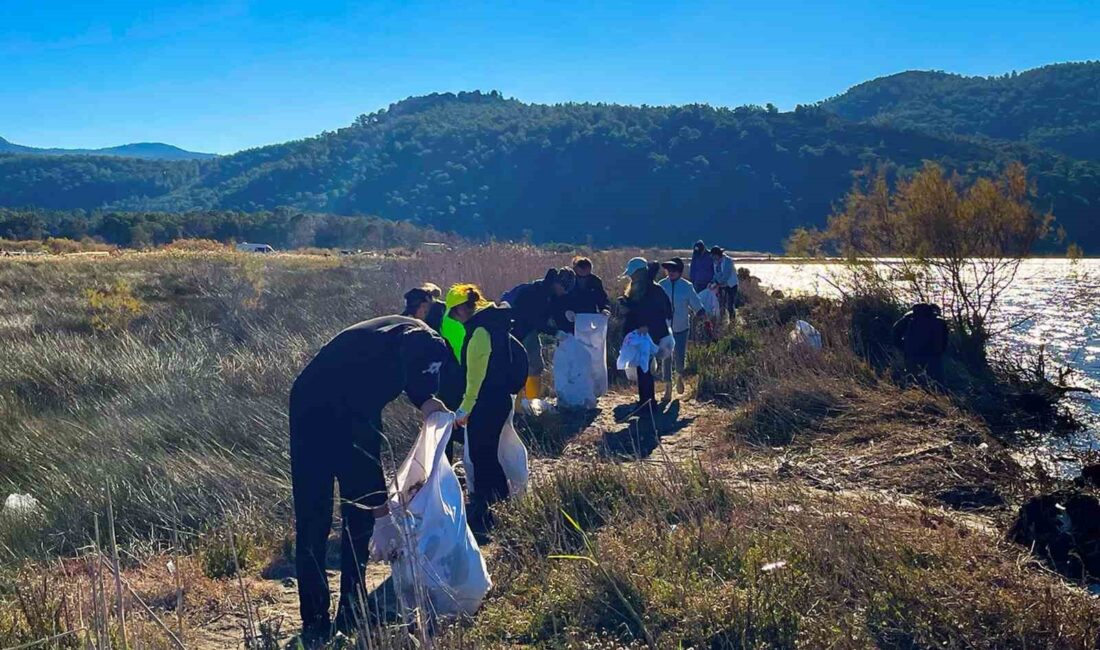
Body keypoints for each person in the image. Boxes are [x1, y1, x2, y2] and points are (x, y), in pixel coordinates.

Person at [288, 316, 451, 642]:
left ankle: (352, 607)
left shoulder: (424, 342)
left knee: (358, 522)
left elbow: (419, 384)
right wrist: (381, 514)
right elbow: (363, 454)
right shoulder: (373, 370)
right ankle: (316, 618)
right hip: (313, 409)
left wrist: (430, 405)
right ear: (400, 365)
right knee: (314, 516)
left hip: (346, 402)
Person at [447, 285, 529, 529]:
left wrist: (465, 409)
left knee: (483, 457)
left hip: (486, 403)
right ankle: (499, 506)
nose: (454, 319)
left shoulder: (480, 331)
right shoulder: (495, 324)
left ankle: (489, 510)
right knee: (489, 454)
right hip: (500, 399)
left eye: (454, 314)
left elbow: (476, 376)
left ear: (462, 308)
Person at [503, 268, 576, 399]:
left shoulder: (552, 295)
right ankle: (517, 405)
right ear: (558, 283)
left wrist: (566, 328)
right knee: (518, 368)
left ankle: (532, 401)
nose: (564, 293)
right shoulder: (533, 292)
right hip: (515, 331)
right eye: (564, 289)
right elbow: (532, 319)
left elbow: (554, 315)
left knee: (536, 367)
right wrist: (554, 332)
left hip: (530, 331)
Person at [619, 257, 672, 415]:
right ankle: (646, 402)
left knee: (645, 369)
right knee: (643, 369)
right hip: (641, 335)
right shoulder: (639, 288)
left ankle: (648, 404)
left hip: (650, 335)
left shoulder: (654, 290)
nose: (631, 277)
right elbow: (637, 311)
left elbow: (663, 313)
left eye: (633, 273)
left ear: (639, 273)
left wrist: (647, 327)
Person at [658, 257, 704, 400]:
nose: (670, 272)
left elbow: (695, 302)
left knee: (679, 356)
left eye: (674, 270)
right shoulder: (660, 285)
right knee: (665, 356)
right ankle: (667, 387)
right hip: (664, 328)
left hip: (681, 327)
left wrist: (701, 312)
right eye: (668, 270)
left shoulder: (686, 286)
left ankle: (679, 376)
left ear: (679, 271)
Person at [892, 303, 949, 386]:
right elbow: (945, 340)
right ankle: (938, 396)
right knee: (938, 382)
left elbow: (895, 332)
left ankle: (912, 396)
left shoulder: (908, 318)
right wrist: (940, 351)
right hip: (933, 355)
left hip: (912, 353)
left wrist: (903, 347)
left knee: (912, 380)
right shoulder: (939, 321)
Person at [711, 246, 738, 323]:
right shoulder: (715, 262)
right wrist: (712, 281)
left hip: (731, 285)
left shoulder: (728, 261)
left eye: (713, 255)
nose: (712, 257)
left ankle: (733, 322)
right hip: (722, 286)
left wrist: (717, 283)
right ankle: (722, 322)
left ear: (717, 254)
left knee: (730, 305)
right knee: (721, 304)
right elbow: (716, 274)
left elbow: (726, 275)